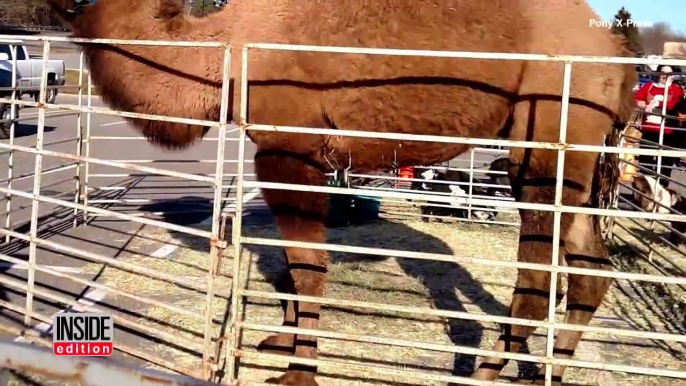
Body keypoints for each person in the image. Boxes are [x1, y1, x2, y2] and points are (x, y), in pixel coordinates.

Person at [633, 65, 685, 187]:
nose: (665, 76)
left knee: (665, 166)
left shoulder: (676, 90)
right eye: (662, 72)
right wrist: (643, 105)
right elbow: (637, 98)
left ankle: (662, 193)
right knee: (645, 164)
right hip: (649, 130)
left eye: (668, 74)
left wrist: (657, 103)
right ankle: (645, 194)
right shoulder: (649, 86)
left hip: (668, 133)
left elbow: (676, 104)